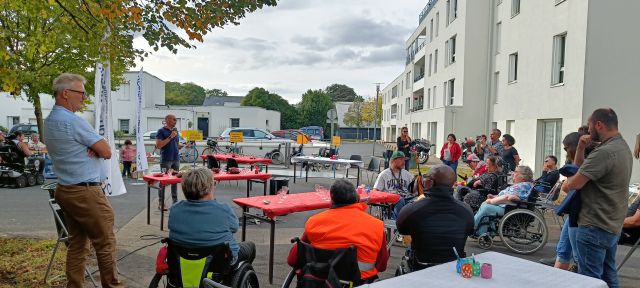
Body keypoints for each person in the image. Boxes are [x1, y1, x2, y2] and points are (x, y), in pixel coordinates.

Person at [44, 73, 123, 287]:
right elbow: (106, 151)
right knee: (105, 241)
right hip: (85, 191)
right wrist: (96, 146)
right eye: (81, 93)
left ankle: (75, 285)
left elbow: (99, 149)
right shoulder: (73, 121)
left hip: (66, 189)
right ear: (65, 94)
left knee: (77, 244)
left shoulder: (49, 121)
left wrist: (94, 147)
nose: (85, 98)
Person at [561, 108, 633, 287]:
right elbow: (581, 168)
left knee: (590, 280)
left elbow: (575, 182)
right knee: (609, 276)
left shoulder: (605, 152)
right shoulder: (622, 146)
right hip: (610, 223)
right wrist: (580, 147)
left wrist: (566, 183)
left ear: (599, 125)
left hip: (594, 224)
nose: (588, 130)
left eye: (590, 125)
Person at [287, 179, 388, 282]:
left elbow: (292, 260)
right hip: (360, 282)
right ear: (357, 198)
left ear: (331, 198)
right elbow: (382, 266)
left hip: (321, 281)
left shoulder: (314, 222)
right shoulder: (377, 226)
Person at [169, 167, 256, 266]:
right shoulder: (223, 209)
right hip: (219, 261)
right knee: (250, 246)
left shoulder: (175, 209)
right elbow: (234, 228)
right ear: (209, 187)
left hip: (181, 258)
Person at [396, 165, 474, 269]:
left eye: (426, 177)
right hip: (454, 266)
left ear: (430, 182)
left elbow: (402, 229)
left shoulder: (414, 209)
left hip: (420, 265)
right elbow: (470, 231)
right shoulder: (466, 211)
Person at [474, 166, 534, 236]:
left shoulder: (522, 186)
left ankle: (472, 226)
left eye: (515, 172)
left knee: (486, 207)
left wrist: (492, 201)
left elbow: (508, 197)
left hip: (509, 209)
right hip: (509, 206)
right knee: (485, 205)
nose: (513, 174)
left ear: (523, 176)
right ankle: (482, 232)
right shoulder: (522, 185)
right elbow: (507, 196)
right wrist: (494, 197)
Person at [373, 151, 415, 219]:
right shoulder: (384, 174)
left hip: (406, 198)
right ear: (393, 160)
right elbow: (375, 191)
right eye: (401, 159)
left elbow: (414, 189)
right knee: (400, 199)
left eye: (404, 160)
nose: (404, 162)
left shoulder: (407, 174)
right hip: (390, 199)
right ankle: (397, 222)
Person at [155, 114, 182, 210]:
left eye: (176, 119)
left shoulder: (175, 131)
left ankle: (175, 202)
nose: (176, 121)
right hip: (166, 160)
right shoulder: (161, 131)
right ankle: (161, 203)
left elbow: (176, 144)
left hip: (176, 159)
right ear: (167, 120)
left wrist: (183, 145)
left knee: (175, 181)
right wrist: (171, 137)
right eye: (174, 119)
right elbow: (159, 145)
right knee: (164, 181)